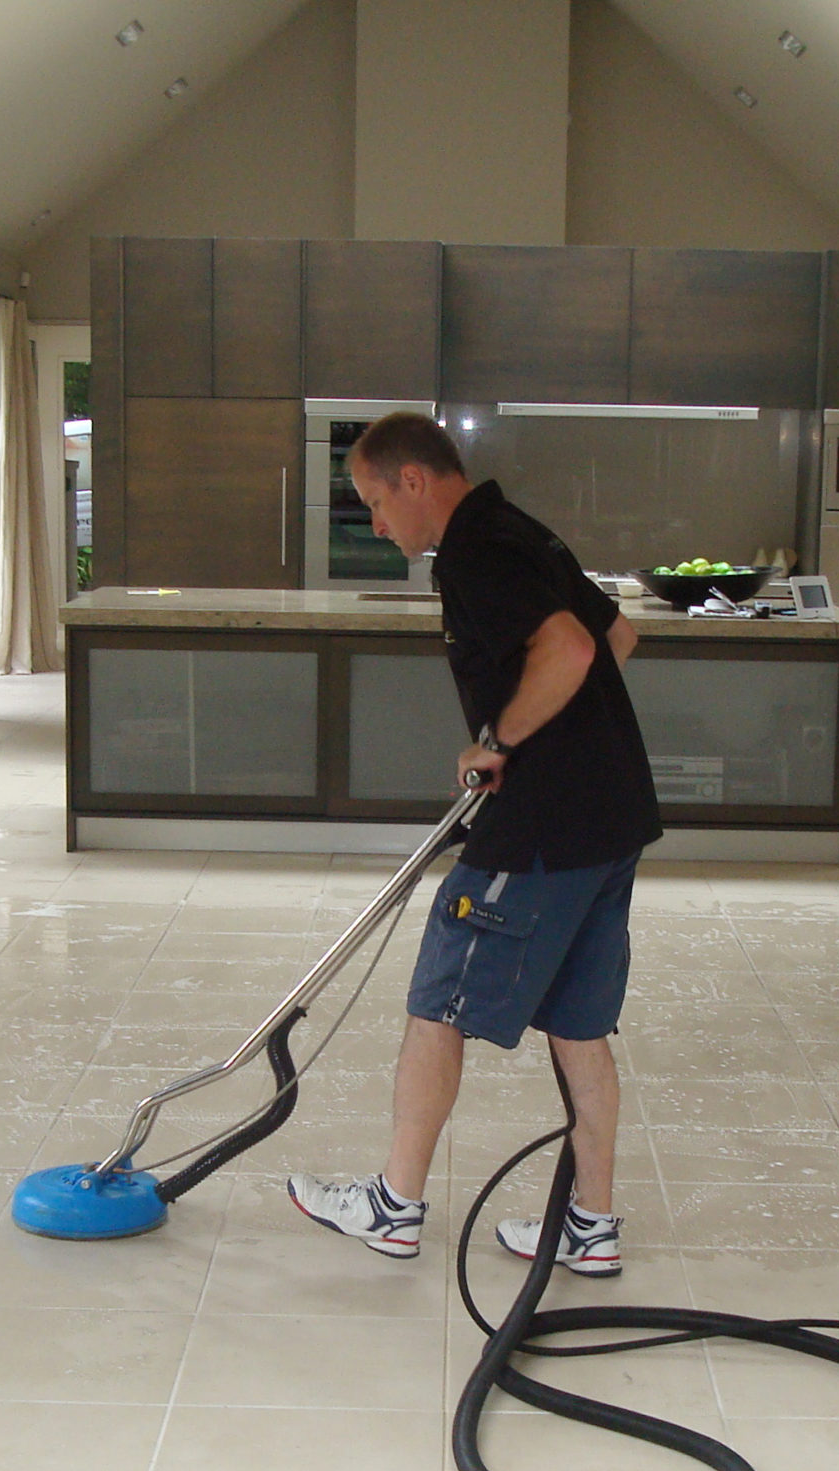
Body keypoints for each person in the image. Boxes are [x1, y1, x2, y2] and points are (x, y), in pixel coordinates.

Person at [287, 412, 661, 1276]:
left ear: (414, 481)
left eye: (376, 503)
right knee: (578, 1025)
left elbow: (570, 648)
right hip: (611, 821)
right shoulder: (521, 528)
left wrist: (502, 740)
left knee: (436, 1004)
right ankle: (590, 1225)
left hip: (540, 831)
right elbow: (617, 637)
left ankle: (393, 1205)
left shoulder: (472, 552)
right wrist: (559, 739)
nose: (378, 526)